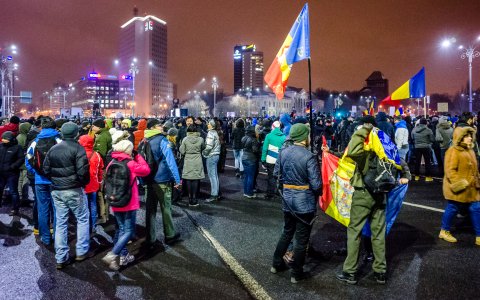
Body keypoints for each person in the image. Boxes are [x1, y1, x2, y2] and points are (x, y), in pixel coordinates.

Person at [336, 115, 407, 285]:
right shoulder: (385, 148)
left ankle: (350, 272)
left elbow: (352, 151)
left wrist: (363, 131)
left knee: (354, 231)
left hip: (363, 193)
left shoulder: (366, 152)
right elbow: (401, 162)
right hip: (381, 194)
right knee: (378, 233)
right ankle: (380, 272)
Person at [271, 123, 322, 284]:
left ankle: (276, 264)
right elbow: (316, 185)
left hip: (288, 199)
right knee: (301, 239)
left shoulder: (283, 152)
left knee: (287, 232)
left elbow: (276, 174)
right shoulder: (309, 156)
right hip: (304, 202)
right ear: (303, 137)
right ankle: (296, 272)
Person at [43, 122, 90, 269]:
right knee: (82, 218)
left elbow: (45, 169)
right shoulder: (78, 148)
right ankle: (81, 251)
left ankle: (61, 257)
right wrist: (81, 183)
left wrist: (56, 180)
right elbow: (83, 172)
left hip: (57, 190)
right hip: (74, 189)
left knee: (61, 222)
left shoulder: (53, 149)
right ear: (76, 134)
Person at [102, 139, 150, 270]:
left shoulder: (112, 162)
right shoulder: (131, 164)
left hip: (115, 200)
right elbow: (146, 170)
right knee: (128, 231)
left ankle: (123, 257)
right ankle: (113, 254)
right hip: (129, 201)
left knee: (122, 229)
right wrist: (138, 156)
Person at [438, 126, 480, 246]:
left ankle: (479, 235)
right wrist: (460, 184)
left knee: (476, 208)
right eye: (466, 136)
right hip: (458, 189)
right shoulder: (453, 151)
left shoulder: (470, 150)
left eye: (470, 136)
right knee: (453, 207)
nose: (469, 138)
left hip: (472, 188)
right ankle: (444, 231)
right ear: (459, 138)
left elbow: (474, 169)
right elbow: (450, 171)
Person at [144, 119, 182, 248]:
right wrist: (177, 179)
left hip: (149, 179)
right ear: (154, 127)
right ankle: (169, 235)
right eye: (160, 125)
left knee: (150, 210)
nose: (162, 127)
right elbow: (170, 161)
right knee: (166, 208)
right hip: (162, 180)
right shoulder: (162, 140)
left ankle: (150, 238)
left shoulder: (144, 140)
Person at [25, 117, 62, 246]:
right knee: (57, 210)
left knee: (42, 209)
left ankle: (45, 238)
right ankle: (58, 237)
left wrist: (37, 172)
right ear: (55, 127)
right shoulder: (59, 140)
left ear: (42, 127)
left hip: (40, 181)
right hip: (56, 180)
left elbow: (28, 160)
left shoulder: (35, 141)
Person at [79, 135, 104, 233]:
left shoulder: (78, 154)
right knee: (93, 205)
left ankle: (83, 228)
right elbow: (100, 170)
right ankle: (92, 226)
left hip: (81, 185)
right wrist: (100, 181)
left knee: (83, 207)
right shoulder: (97, 155)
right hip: (93, 184)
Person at [92, 118, 112, 224]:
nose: (92, 127)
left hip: (102, 167)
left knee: (100, 192)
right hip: (106, 166)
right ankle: (106, 215)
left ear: (98, 127)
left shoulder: (102, 137)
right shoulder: (105, 134)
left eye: (93, 126)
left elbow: (100, 154)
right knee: (104, 192)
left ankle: (103, 216)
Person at [179, 124, 205, 206]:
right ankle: (195, 198)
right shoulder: (201, 139)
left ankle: (190, 198)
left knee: (189, 179)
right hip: (197, 160)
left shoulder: (185, 139)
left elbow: (182, 151)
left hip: (188, 160)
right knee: (196, 179)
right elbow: (203, 148)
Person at [0, 131, 24, 215]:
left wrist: (13, 166)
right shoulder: (1, 146)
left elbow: (21, 159)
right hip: (1, 173)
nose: (4, 142)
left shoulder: (17, 147)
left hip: (12, 174)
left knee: (13, 191)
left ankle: (15, 208)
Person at [261, 121, 286, 200]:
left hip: (270, 160)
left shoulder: (269, 136)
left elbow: (265, 149)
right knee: (280, 176)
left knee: (271, 177)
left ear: (273, 126)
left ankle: (270, 193)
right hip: (280, 160)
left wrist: (263, 160)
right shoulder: (283, 137)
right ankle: (279, 192)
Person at [203, 119, 221, 202]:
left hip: (211, 155)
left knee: (212, 176)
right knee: (215, 175)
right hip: (216, 155)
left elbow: (209, 146)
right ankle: (216, 193)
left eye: (209, 124)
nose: (207, 125)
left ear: (212, 125)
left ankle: (214, 195)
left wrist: (204, 153)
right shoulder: (216, 132)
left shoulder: (210, 133)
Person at [241, 125, 261, 198]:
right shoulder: (253, 139)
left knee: (246, 176)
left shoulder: (243, 138)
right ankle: (249, 193)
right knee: (251, 177)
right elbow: (255, 150)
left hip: (244, 157)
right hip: (251, 159)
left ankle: (246, 192)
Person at [16, 121, 32, 203]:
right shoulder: (26, 137)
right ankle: (24, 197)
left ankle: (19, 195)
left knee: (20, 179)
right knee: (25, 180)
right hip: (25, 161)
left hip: (19, 161)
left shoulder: (18, 136)